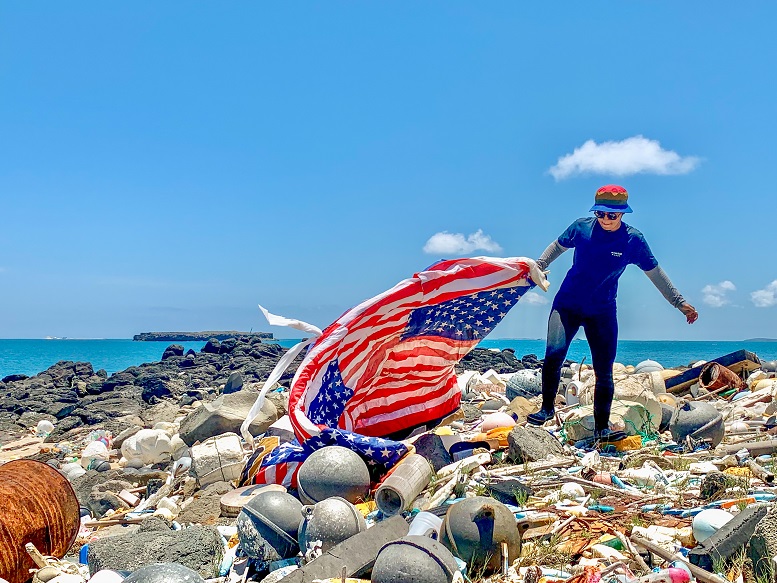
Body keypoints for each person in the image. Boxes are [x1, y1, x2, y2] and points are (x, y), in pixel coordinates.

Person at [527, 185, 698, 443]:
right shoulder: (581, 228)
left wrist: (680, 302)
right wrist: (538, 266)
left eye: (612, 215)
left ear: (622, 215)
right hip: (567, 305)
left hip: (602, 312)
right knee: (553, 355)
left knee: (603, 371)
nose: (606, 219)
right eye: (601, 214)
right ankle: (547, 408)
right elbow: (556, 246)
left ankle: (601, 428)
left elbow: (656, 274)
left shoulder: (633, 240)